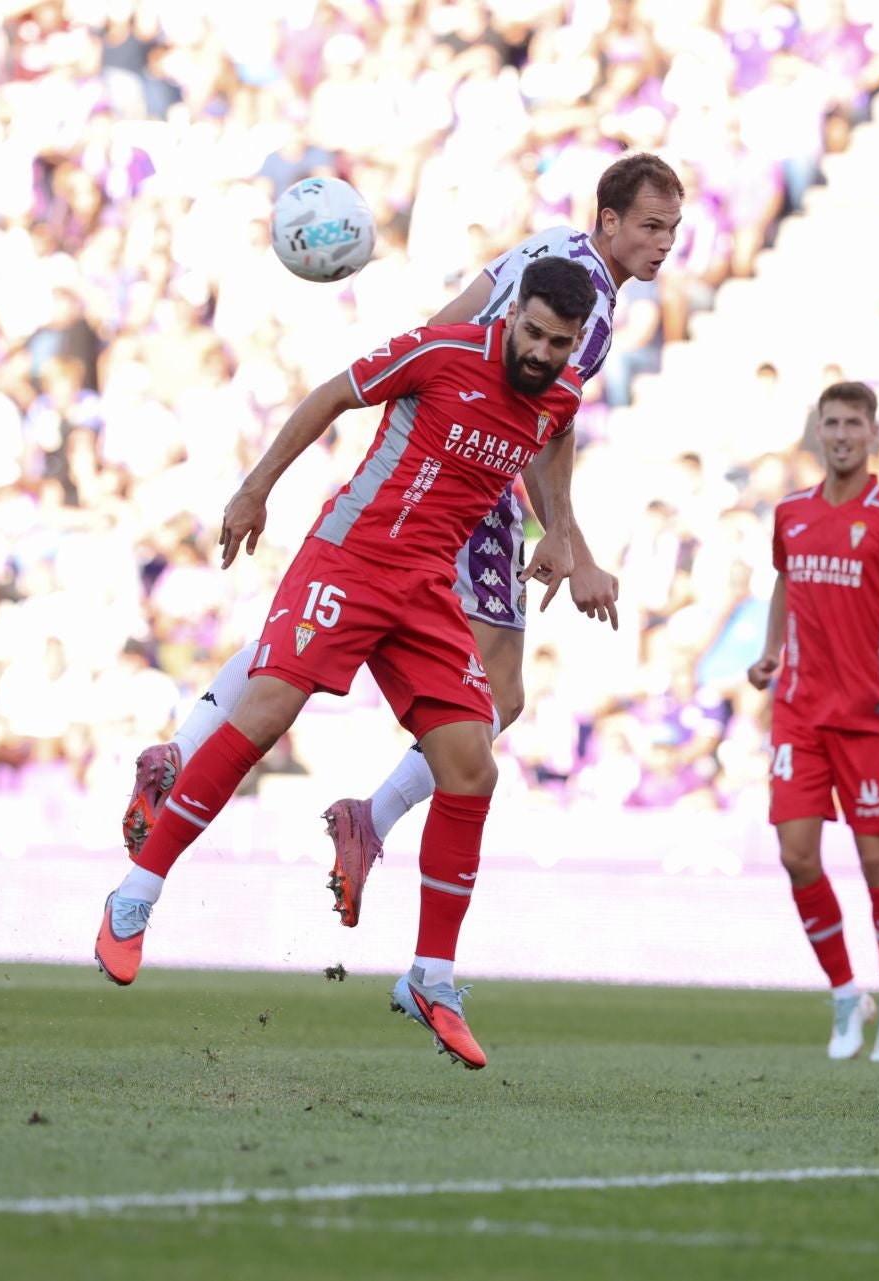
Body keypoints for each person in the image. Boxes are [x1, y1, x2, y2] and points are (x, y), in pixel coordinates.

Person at [121, 153, 686, 929]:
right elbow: (527, 411)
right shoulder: (581, 304)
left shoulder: (548, 252)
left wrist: (432, 410)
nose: (665, 243)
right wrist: (568, 541)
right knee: (500, 696)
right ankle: (371, 820)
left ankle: (186, 750)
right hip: (468, 484)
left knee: (311, 631)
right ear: (611, 220)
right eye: (652, 226)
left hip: (438, 440)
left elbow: (466, 340)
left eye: (674, 230)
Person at [93, 257, 599, 1071]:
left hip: (427, 587)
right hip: (350, 558)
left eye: (559, 342)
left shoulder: (562, 394)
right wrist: (255, 489)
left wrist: (565, 534)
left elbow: (556, 441)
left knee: (473, 767)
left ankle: (431, 977)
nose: (541, 353)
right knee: (264, 713)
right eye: (532, 333)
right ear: (511, 317)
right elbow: (331, 394)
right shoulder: (440, 353)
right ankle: (134, 895)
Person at [747, 381, 879, 1063]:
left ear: (872, 435)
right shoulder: (790, 513)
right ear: (820, 432)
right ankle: (846, 990)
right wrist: (771, 651)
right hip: (799, 712)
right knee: (795, 853)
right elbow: (786, 580)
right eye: (831, 423)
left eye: (852, 424)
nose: (840, 435)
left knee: (877, 865)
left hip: (869, 717)